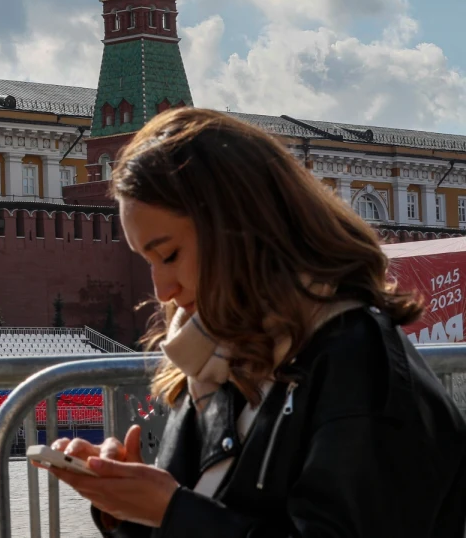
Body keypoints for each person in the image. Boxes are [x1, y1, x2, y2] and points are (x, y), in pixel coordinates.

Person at [38, 108, 466, 537]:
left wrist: (171, 511)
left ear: (242, 227)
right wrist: (131, 506)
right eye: (147, 261)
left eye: (169, 255)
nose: (162, 289)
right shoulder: (219, 360)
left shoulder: (358, 365)